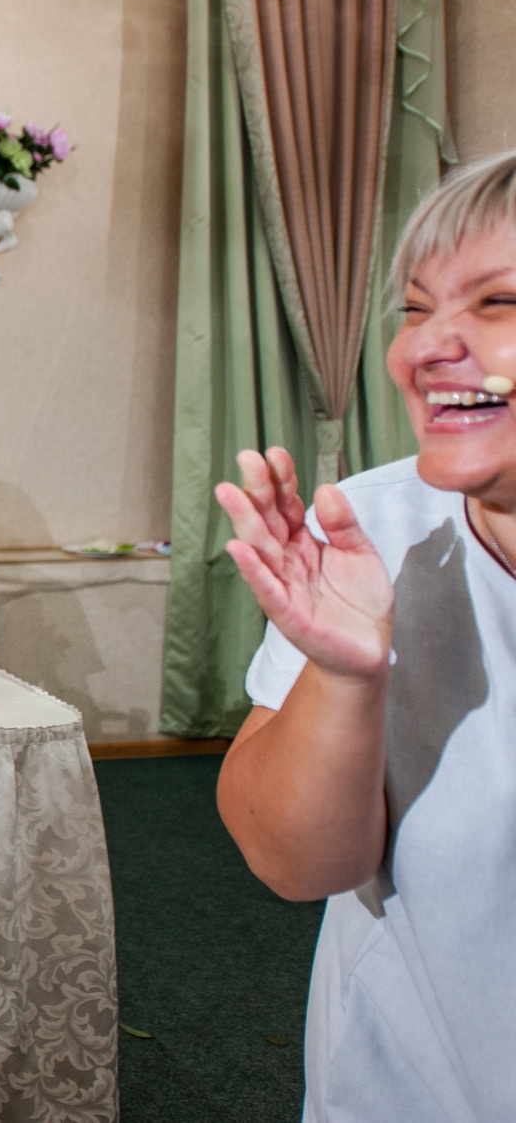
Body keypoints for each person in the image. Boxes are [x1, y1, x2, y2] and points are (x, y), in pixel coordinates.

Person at [215, 149, 516, 1122]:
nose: (424, 346)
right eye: (415, 306)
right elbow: (291, 863)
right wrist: (343, 675)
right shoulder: (370, 530)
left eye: (496, 301)